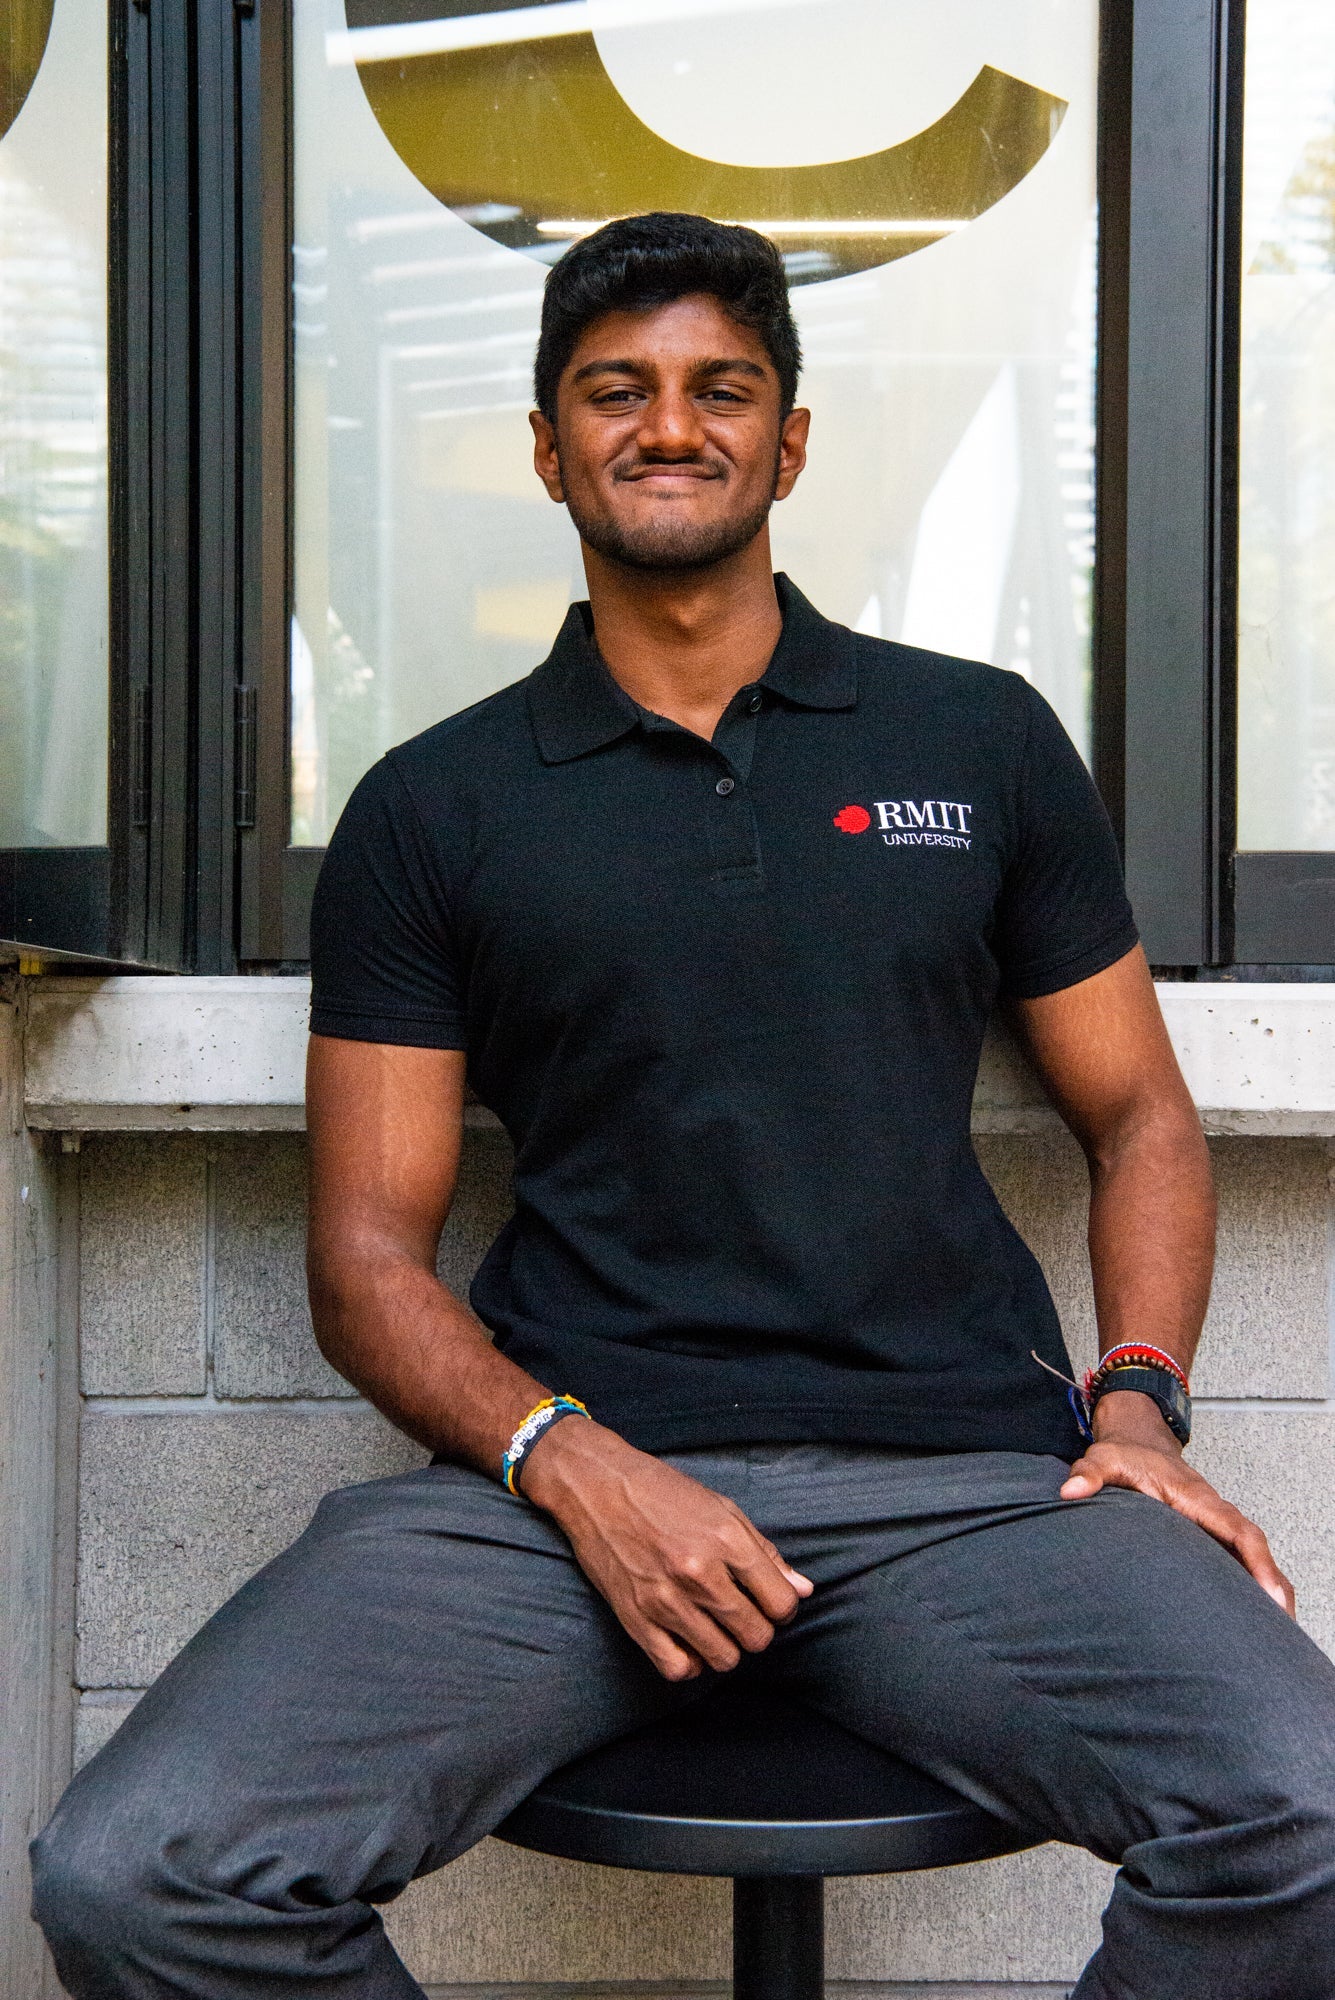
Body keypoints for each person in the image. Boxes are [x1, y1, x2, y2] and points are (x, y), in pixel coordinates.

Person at [30, 211, 1335, 2000]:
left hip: (962, 1488)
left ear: (789, 440)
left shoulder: (975, 743)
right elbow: (364, 1265)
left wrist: (1144, 1411)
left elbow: (1145, 1122)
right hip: (556, 1499)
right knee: (142, 1873)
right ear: (550, 443)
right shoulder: (438, 806)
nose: (671, 424)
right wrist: (576, 1466)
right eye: (616, 390)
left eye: (722, 387)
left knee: (1313, 1812)